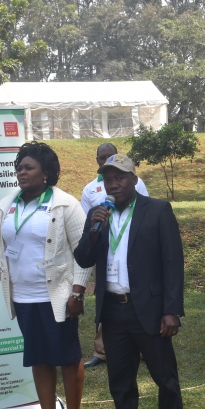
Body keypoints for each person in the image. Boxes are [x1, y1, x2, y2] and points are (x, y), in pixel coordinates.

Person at [74, 154, 187, 409]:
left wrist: (171, 310)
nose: (113, 184)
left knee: (165, 379)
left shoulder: (157, 210)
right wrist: (94, 231)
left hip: (148, 310)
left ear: (134, 180)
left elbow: (173, 263)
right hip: (113, 310)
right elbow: (83, 258)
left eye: (120, 178)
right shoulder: (98, 214)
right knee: (120, 380)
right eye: (108, 179)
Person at [0, 142, 91, 409]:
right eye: (19, 168)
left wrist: (78, 293)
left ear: (46, 172)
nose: (21, 172)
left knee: (67, 358)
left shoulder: (65, 204)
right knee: (39, 359)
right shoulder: (6, 206)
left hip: (58, 296)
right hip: (23, 298)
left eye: (28, 167)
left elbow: (84, 252)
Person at [80, 143, 149, 369]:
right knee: (108, 298)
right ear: (97, 160)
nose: (106, 160)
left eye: (111, 156)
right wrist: (94, 231)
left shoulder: (137, 183)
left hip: (132, 253)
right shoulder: (90, 189)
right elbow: (87, 226)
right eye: (102, 157)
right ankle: (102, 351)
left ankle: (142, 346)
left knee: (136, 296)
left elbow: (145, 212)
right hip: (104, 254)